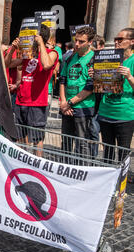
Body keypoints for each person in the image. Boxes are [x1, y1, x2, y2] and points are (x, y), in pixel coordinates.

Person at [5, 24, 59, 156]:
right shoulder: (27, 54)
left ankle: (37, 163)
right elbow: (7, 64)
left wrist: (41, 44)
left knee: (37, 138)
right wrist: (12, 49)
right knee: (20, 136)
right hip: (21, 100)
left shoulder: (52, 53)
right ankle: (23, 161)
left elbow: (46, 65)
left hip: (37, 102)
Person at [95, 27, 134, 163]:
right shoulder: (110, 57)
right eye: (116, 39)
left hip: (124, 114)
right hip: (106, 112)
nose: (116, 42)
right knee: (107, 153)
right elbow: (101, 85)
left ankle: (121, 183)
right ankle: (108, 182)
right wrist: (94, 76)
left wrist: (129, 76)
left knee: (123, 153)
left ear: (131, 42)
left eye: (120, 39)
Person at [59, 26, 96, 158]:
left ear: (90, 42)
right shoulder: (70, 57)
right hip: (67, 107)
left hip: (83, 108)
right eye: (76, 40)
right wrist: (63, 102)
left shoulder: (94, 59)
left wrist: (69, 102)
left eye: (81, 41)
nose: (77, 44)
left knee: (82, 144)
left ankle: (82, 172)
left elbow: (90, 88)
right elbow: (62, 80)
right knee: (66, 142)